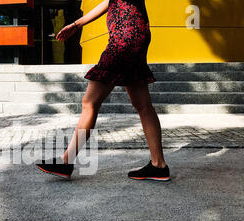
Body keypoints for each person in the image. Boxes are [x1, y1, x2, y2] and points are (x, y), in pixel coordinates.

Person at [36, 0, 170, 181]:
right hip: (133, 35)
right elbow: (110, 2)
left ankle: (66, 161)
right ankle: (158, 165)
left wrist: (76, 25)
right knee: (143, 106)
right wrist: (77, 24)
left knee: (90, 102)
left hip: (124, 38)